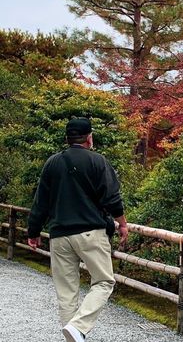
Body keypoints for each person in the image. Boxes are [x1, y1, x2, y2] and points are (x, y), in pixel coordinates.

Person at [27, 117, 128, 342]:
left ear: (67, 138)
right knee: (104, 282)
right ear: (89, 138)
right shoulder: (98, 161)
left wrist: (33, 231)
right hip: (91, 232)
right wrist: (122, 223)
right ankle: (79, 327)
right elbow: (112, 199)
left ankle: (73, 335)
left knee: (66, 292)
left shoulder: (52, 163)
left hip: (60, 235)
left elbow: (40, 202)